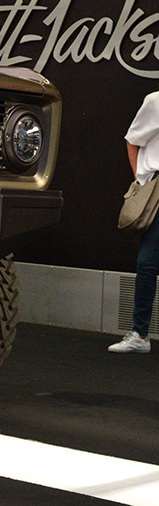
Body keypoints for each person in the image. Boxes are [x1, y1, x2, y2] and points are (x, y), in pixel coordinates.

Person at [110, 90, 159, 353]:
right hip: (157, 189)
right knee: (148, 262)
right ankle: (140, 334)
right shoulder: (156, 101)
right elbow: (132, 140)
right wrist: (141, 181)